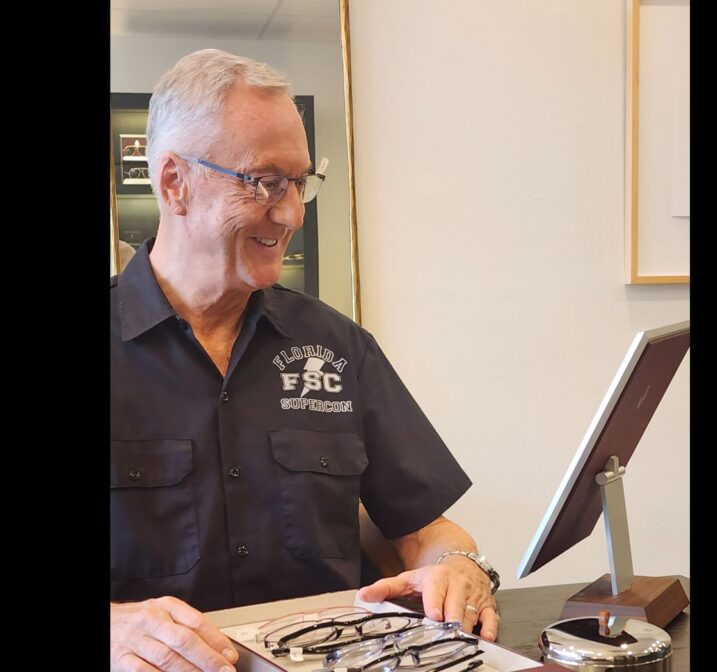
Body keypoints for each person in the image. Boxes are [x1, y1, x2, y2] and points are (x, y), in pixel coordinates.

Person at [110, 49, 499, 672]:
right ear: (173, 183)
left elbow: (426, 532)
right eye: (263, 181)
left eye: (298, 182)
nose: (291, 213)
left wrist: (460, 567)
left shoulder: (337, 347)